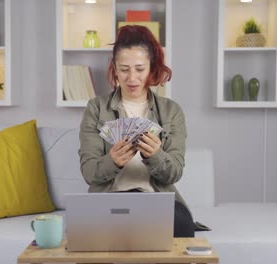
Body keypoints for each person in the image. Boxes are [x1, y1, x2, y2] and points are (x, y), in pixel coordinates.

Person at [78, 25, 195, 237]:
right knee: (91, 226)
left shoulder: (171, 110)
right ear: (114, 67)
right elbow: (89, 172)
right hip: (110, 200)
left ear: (151, 67)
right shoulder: (96, 108)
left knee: (183, 224)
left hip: (155, 200)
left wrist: (156, 155)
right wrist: (112, 161)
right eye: (124, 69)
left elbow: (175, 172)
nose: (132, 78)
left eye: (140, 69)